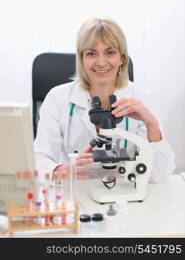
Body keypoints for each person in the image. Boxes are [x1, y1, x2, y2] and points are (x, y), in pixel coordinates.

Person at [34, 18, 175, 183]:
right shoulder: (57, 98)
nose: (101, 62)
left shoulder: (142, 98)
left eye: (110, 52)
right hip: (75, 191)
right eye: (91, 53)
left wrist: (151, 124)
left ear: (122, 58)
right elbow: (38, 160)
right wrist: (58, 171)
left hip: (125, 195)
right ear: (81, 59)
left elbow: (159, 175)